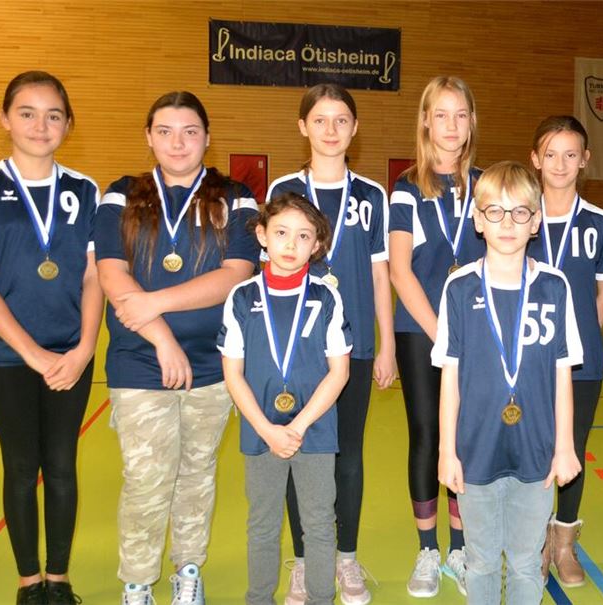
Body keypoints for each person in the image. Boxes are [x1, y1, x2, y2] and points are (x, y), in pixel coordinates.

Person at [94, 91, 260, 605]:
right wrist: (162, 337)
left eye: (189, 131)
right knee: (146, 478)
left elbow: (235, 275)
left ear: (207, 138)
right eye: (164, 131)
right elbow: (111, 273)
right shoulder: (119, 195)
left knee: (197, 473)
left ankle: (188, 570)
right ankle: (138, 582)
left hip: (214, 362)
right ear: (148, 137)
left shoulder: (237, 197)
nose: (177, 142)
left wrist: (154, 303)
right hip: (140, 359)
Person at [0, 71, 103, 605]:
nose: (40, 125)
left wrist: (85, 348)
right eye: (27, 112)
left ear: (68, 124)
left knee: (63, 464)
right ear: (5, 118)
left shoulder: (84, 188)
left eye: (53, 115)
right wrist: (31, 354)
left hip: (71, 353)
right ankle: (29, 583)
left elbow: (95, 275)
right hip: (6, 356)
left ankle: (58, 578)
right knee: (22, 465)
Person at [266, 83, 395, 605]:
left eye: (341, 120)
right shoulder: (284, 189)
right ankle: (302, 562)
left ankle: (345, 558)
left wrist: (385, 344)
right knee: (299, 452)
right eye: (320, 120)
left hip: (356, 344)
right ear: (303, 126)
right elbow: (269, 267)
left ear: (355, 128)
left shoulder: (371, 196)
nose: (331, 130)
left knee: (348, 455)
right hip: (297, 349)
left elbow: (381, 273)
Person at [435, 160, 583, 604]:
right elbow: (450, 376)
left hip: (537, 450)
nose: (507, 223)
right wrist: (446, 451)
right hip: (475, 448)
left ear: (535, 222)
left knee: (524, 560)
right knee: (480, 561)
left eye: (520, 212)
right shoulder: (458, 288)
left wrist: (565, 447)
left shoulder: (554, 286)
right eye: (494, 212)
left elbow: (563, 373)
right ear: (478, 221)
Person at [219, 192, 351, 605]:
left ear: (317, 245)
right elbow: (233, 375)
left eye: (303, 236)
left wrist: (295, 427)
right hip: (261, 435)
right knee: (262, 523)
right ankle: (259, 598)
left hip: (313, 431)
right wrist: (267, 430)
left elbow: (339, 372)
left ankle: (320, 598)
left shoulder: (326, 297)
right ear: (262, 236)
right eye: (281, 233)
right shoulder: (241, 298)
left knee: (318, 522)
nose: (291, 245)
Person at [389, 75, 484, 597]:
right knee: (428, 435)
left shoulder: (487, 184)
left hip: (478, 331)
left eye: (461, 114)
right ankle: (428, 550)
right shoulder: (405, 190)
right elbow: (401, 271)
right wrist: (440, 334)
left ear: (472, 122)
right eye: (440, 115)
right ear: (425, 121)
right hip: (421, 330)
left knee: (467, 438)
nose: (451, 126)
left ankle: (462, 547)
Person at [525, 115, 603, 586]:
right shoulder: (520, 215)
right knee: (531, 448)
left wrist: (576, 341)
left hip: (581, 363)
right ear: (535, 160)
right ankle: (532, 542)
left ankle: (563, 544)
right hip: (524, 360)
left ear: (585, 159)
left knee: (572, 449)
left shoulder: (601, 224)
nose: (560, 164)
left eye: (570, 154)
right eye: (551, 154)